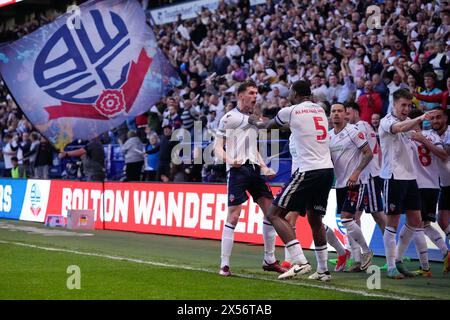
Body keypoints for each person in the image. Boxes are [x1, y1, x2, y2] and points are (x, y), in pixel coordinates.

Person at [249, 80, 335, 282]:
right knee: (316, 220)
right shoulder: (320, 110)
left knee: (274, 213)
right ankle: (323, 270)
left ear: (295, 93)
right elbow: (298, 126)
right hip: (326, 170)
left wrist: (256, 122)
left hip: (308, 170)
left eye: (290, 92)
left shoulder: (291, 110)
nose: (288, 95)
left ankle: (300, 261)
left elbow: (269, 126)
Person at [214, 80, 285, 277]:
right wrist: (231, 160)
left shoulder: (253, 119)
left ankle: (269, 259)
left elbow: (253, 148)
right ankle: (225, 264)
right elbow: (217, 147)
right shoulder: (229, 118)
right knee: (234, 215)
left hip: (254, 170)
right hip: (237, 171)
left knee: (271, 212)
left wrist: (263, 166)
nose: (255, 96)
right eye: (252, 93)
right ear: (241, 95)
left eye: (256, 93)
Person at [379, 89, 433, 279]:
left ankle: (399, 259)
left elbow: (412, 134)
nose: (406, 108)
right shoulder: (386, 122)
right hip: (393, 177)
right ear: (394, 104)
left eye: (409, 105)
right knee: (392, 221)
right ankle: (391, 265)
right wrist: (421, 117)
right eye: (403, 105)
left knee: (415, 220)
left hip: (410, 178)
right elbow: (398, 128)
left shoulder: (409, 124)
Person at [329, 103, 374, 272]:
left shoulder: (354, 131)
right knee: (348, 222)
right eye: (333, 111)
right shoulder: (329, 136)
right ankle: (355, 260)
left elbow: (368, 153)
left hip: (355, 182)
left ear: (345, 115)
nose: (337, 114)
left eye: (340, 111)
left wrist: (356, 172)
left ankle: (367, 251)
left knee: (347, 218)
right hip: (340, 183)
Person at [345, 102, 387, 271]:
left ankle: (393, 254)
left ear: (355, 112)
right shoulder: (365, 126)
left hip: (367, 176)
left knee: (377, 215)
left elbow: (363, 151)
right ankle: (359, 257)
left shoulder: (360, 127)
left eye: (347, 114)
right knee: (354, 216)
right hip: (367, 176)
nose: (346, 118)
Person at [408, 109, 448, 276]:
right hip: (436, 185)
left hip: (419, 186)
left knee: (416, 225)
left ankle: (425, 267)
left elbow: (444, 155)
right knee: (428, 224)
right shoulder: (434, 136)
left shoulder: (410, 136)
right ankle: (446, 253)